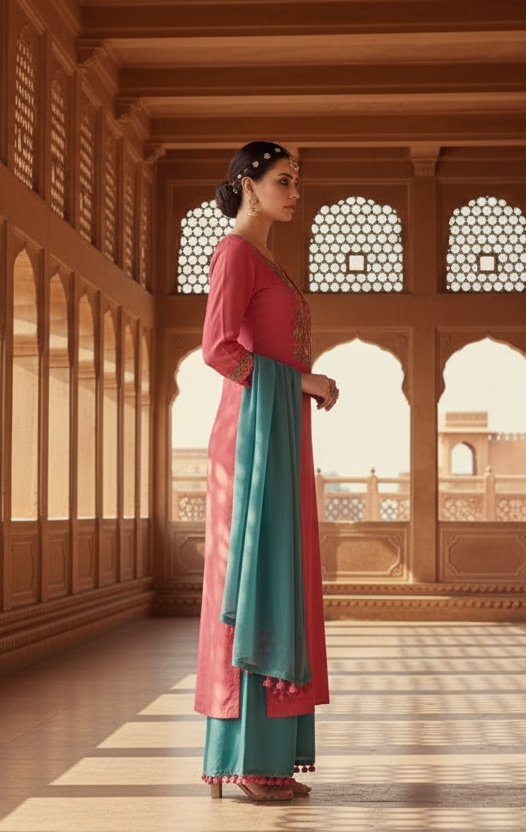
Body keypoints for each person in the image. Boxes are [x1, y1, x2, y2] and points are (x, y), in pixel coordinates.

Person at [194, 141, 338, 802]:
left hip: (278, 431)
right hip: (251, 441)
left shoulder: (265, 261)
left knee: (280, 577)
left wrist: (301, 389)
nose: (294, 191)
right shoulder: (234, 255)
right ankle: (246, 756)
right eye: (283, 180)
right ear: (247, 185)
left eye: (297, 181)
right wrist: (299, 380)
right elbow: (218, 349)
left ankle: (270, 755)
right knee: (255, 582)